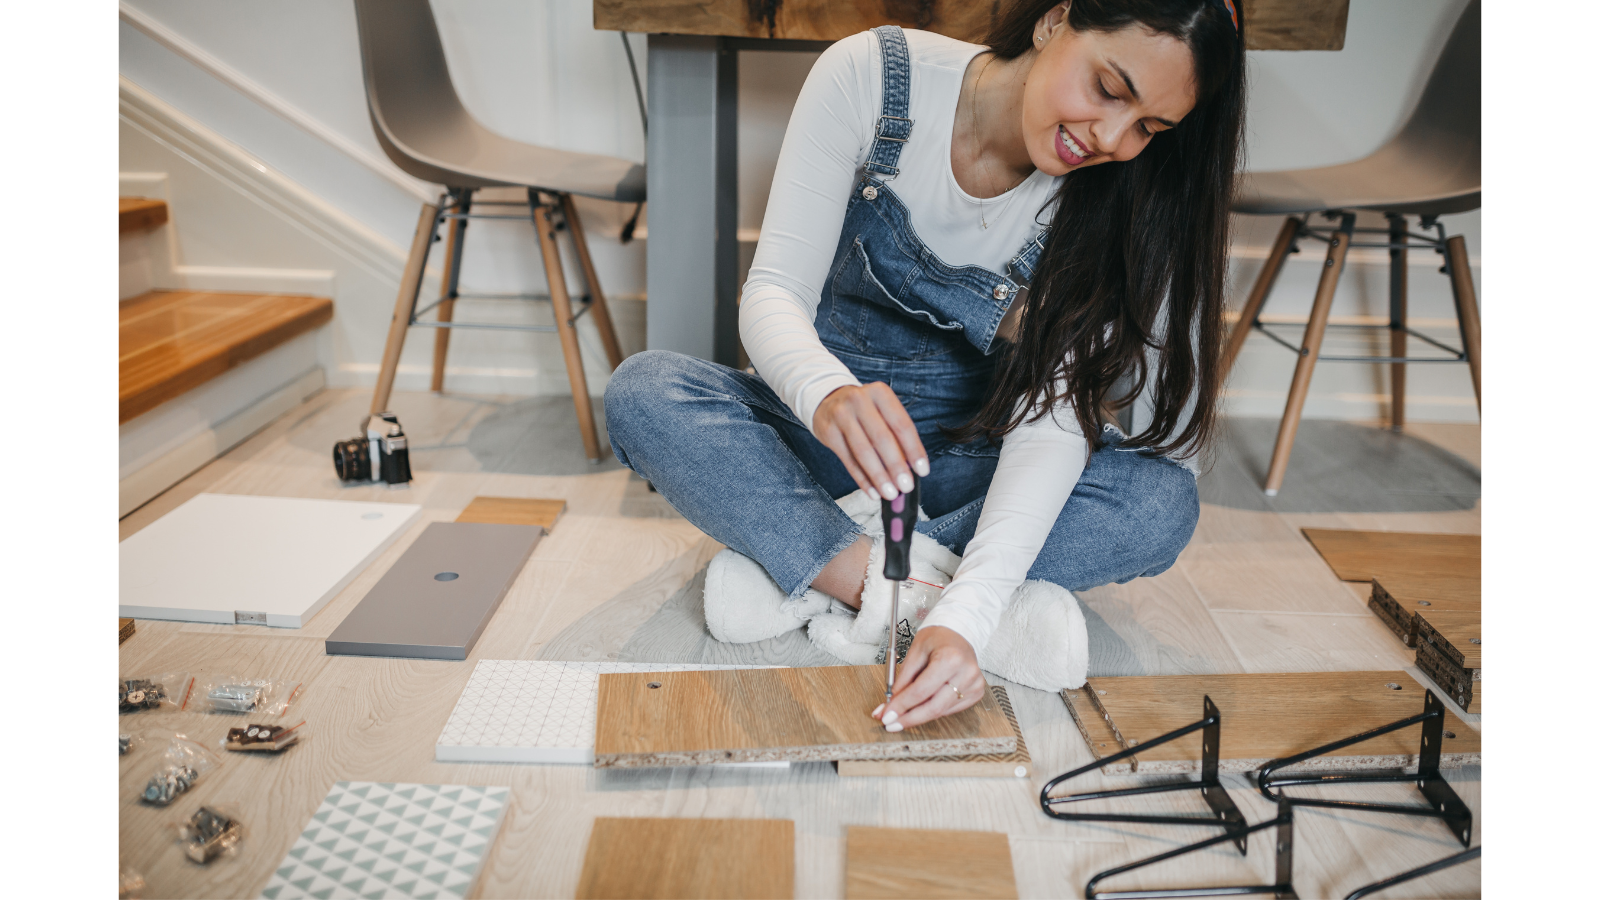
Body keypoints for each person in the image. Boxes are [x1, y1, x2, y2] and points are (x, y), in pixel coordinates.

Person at [605, 0, 1246, 729]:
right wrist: (828, 396)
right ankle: (936, 591)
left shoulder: (1115, 198)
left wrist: (960, 623)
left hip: (966, 470)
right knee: (645, 391)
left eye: (1148, 129)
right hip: (822, 442)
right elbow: (774, 294)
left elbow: (1049, 430)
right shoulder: (874, 79)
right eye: (1108, 88)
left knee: (1159, 501)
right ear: (1056, 19)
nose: (1111, 138)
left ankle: (833, 577)